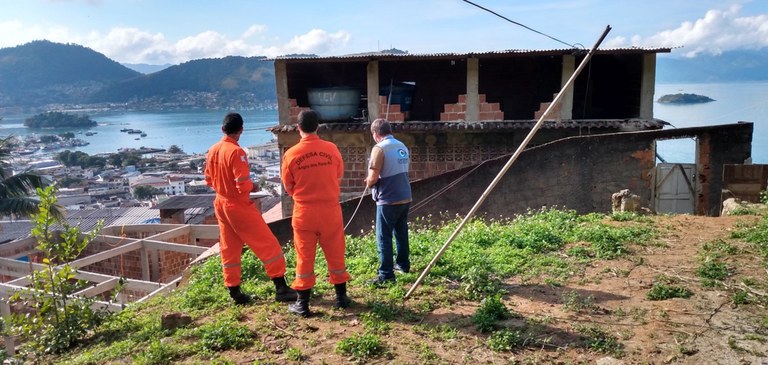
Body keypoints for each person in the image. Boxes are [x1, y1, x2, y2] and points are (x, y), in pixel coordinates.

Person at [205, 112, 297, 305]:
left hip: (220, 203)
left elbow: (208, 180)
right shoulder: (236, 152)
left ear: (223, 129)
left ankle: (235, 291)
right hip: (237, 205)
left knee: (229, 248)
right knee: (267, 243)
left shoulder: (213, 150)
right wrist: (253, 186)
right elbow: (243, 185)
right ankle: (281, 287)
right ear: (241, 131)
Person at [281, 110, 352, 317]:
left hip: (304, 212)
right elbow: (338, 175)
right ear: (318, 126)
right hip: (330, 210)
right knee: (336, 252)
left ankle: (302, 304)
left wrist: (301, 195)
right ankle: (342, 298)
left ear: (298, 128)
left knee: (304, 256)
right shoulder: (331, 149)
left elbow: (288, 185)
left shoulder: (291, 154)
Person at [365, 118, 412, 285]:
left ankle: (385, 274)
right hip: (405, 196)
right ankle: (403, 265)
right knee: (401, 232)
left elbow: (373, 176)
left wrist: (368, 182)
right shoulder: (402, 146)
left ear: (376, 134)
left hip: (388, 199)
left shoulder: (379, 149)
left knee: (383, 236)